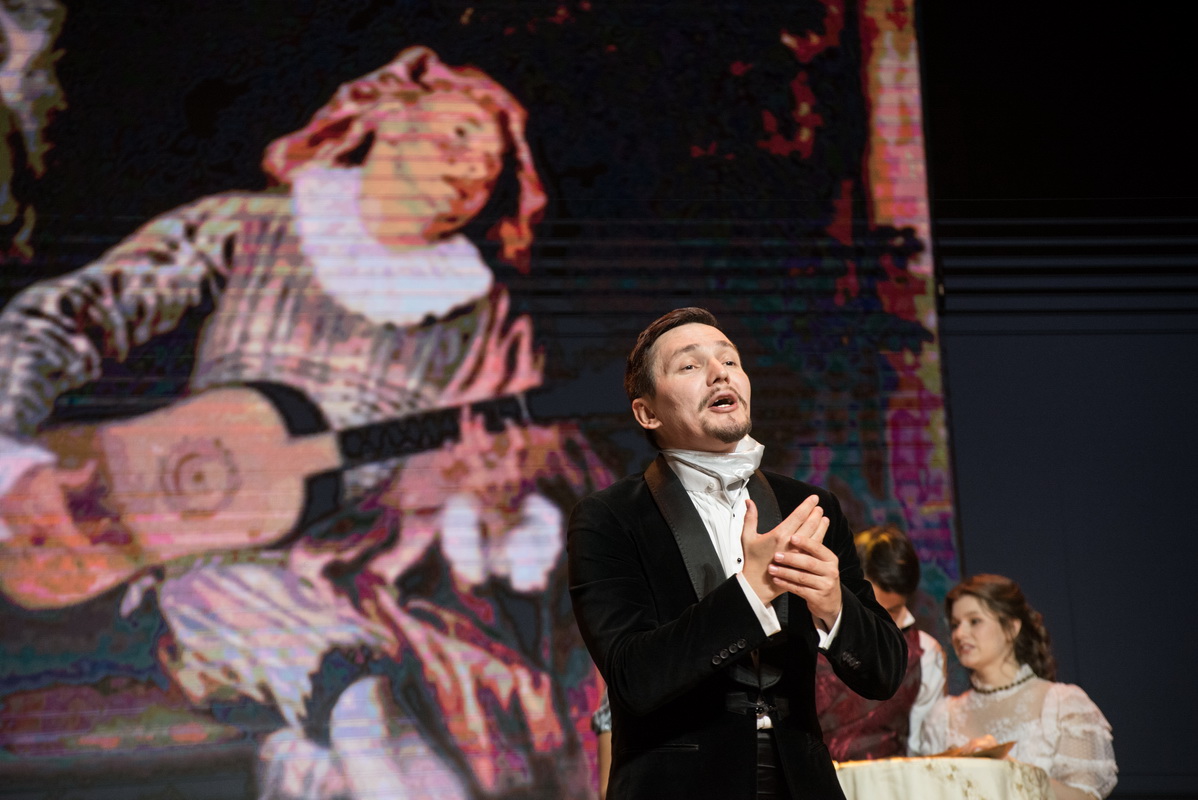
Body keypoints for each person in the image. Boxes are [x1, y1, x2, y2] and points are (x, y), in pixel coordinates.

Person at [0, 46, 607, 799]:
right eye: (456, 136)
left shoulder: (483, 320)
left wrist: (489, 500)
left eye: (490, 165)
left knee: (349, 726)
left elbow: (509, 480)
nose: (472, 171)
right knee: (226, 596)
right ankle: (368, 730)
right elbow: (66, 317)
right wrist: (12, 456)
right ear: (384, 119)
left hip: (363, 567)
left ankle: (366, 744)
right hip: (196, 565)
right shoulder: (254, 227)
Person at [567, 306, 908, 800]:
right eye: (689, 365)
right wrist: (751, 591)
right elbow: (632, 678)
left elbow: (885, 673)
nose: (719, 373)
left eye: (730, 360)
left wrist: (834, 606)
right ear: (647, 412)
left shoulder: (808, 507)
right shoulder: (610, 517)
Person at [913, 574, 1117, 800]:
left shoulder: (1063, 704)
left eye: (975, 621)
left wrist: (1010, 771)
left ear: (1011, 627)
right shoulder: (942, 716)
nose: (960, 634)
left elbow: (1085, 796)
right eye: (955, 625)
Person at [815, 524, 946, 760]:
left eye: (891, 610)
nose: (878, 620)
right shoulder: (808, 634)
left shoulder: (924, 652)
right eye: (868, 606)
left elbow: (921, 749)